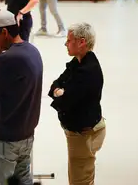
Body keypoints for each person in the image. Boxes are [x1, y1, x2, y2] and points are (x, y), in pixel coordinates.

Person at [0, 10, 43, 185]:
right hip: (26, 135)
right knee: (24, 181)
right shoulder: (32, 50)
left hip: (5, 140)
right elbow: (16, 82)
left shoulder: (7, 60)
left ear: (4, 32)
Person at [48, 23, 106, 185]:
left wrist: (60, 93)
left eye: (69, 40)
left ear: (81, 42)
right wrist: (59, 91)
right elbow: (56, 83)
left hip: (83, 134)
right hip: (84, 130)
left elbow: (66, 102)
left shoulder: (87, 71)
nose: (66, 44)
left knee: (79, 180)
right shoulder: (78, 62)